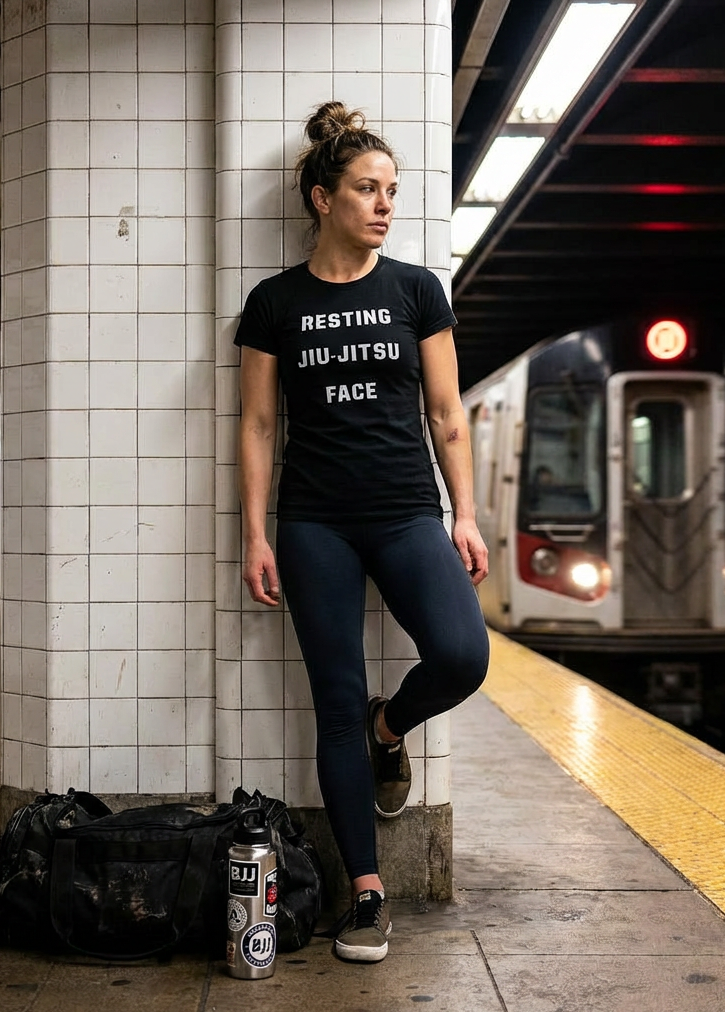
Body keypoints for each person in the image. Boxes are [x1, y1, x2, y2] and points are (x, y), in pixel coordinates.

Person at [235, 101, 490, 964]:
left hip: (406, 510)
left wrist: (466, 513)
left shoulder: (417, 290)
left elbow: (448, 415)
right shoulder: (276, 303)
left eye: (391, 191)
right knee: (333, 702)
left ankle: (393, 729)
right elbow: (259, 425)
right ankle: (368, 894)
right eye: (366, 189)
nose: (385, 205)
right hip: (314, 524)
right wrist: (256, 534)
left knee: (463, 654)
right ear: (321, 198)